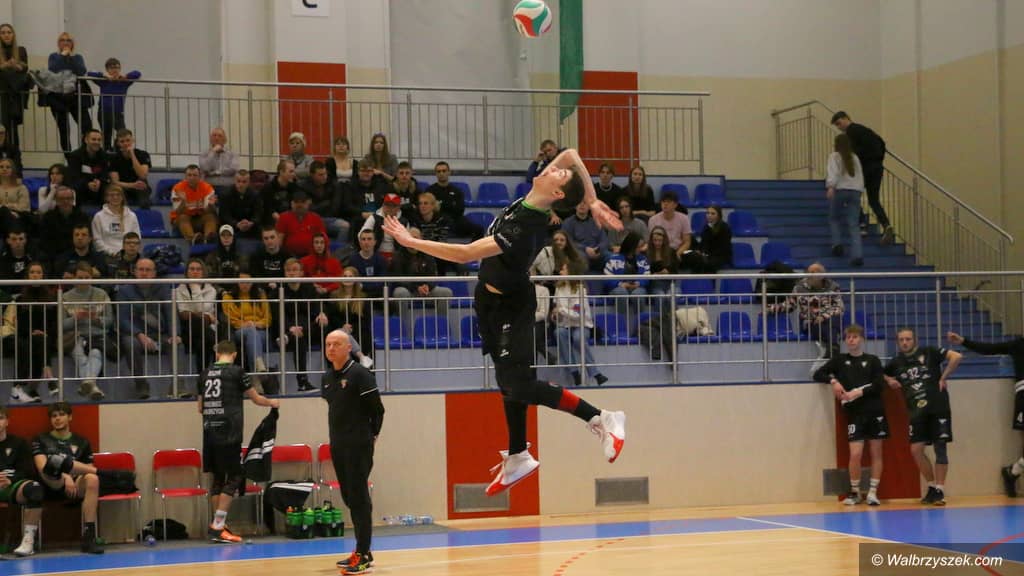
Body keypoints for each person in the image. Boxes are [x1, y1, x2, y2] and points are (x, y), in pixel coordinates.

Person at [382, 147, 627, 496]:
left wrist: (411, 242)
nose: (551, 168)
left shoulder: (526, 225)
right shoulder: (534, 197)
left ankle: (601, 417)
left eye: (558, 174)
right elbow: (572, 154)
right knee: (507, 382)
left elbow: (466, 254)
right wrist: (592, 199)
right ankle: (518, 455)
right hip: (489, 301)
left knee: (521, 386)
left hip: (514, 305)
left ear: (557, 193)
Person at [199, 340, 280, 543]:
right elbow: (256, 399)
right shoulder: (237, 372)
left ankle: (218, 525)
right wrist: (272, 402)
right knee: (235, 477)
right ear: (234, 354)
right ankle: (218, 526)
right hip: (229, 433)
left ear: (217, 354)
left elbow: (200, 407)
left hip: (209, 433)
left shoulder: (204, 373)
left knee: (218, 478)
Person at [322, 329, 384, 575]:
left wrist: (372, 436)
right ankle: (361, 550)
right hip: (338, 444)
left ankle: (364, 554)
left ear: (349, 348)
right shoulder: (327, 377)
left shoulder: (360, 374)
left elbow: (377, 410)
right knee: (348, 496)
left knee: (358, 498)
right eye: (328, 344)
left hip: (358, 444)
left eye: (336, 344)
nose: (331, 348)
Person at [884, 328, 962, 506]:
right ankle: (931, 486)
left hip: (938, 407)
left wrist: (943, 377)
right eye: (901, 340)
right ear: (897, 342)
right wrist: (889, 380)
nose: (905, 342)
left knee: (940, 448)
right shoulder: (896, 362)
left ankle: (940, 490)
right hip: (916, 411)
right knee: (916, 450)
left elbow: (956, 356)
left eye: (908, 339)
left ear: (915, 340)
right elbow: (880, 373)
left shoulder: (929, 351)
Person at [812, 325, 888, 506]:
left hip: (875, 412)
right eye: (848, 337)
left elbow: (879, 385)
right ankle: (855, 492)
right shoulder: (840, 360)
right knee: (855, 454)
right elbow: (817, 374)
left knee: (876, 452)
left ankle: (872, 492)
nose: (851, 340)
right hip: (854, 413)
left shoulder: (873, 360)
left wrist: (858, 392)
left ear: (862, 339)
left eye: (855, 337)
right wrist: (833, 381)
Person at [947, 331, 1024, 497]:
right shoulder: (1018, 344)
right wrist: (964, 341)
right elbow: (989, 349)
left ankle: (1013, 471)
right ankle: (1012, 472)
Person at [32, 402, 104, 554]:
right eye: (54, 416)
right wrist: (65, 477)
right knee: (51, 469)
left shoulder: (82, 442)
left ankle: (89, 537)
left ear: (70, 417)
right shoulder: (41, 439)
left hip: (75, 486)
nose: (57, 419)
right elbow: (42, 467)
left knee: (93, 478)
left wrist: (74, 477)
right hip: (51, 484)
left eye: (62, 415)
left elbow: (88, 468)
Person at [116, 258, 180, 399]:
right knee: (130, 344)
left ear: (154, 273)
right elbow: (122, 319)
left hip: (159, 333)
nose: (144, 273)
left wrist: (175, 334)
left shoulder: (163, 288)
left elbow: (171, 313)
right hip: (135, 334)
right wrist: (139, 334)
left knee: (176, 343)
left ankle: (178, 386)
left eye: (148, 270)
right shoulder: (124, 291)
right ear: (134, 272)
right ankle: (141, 385)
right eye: (141, 269)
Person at [831, 111, 894, 245]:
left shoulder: (851, 132)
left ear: (846, 118)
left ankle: (862, 223)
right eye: (837, 125)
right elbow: (882, 143)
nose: (839, 127)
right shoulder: (866, 130)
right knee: (873, 200)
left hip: (865, 169)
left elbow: (853, 153)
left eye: (839, 123)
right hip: (877, 168)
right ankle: (886, 225)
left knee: (850, 193)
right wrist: (878, 160)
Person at [768, 262, 845, 363]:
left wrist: (823, 316)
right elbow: (790, 305)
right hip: (810, 322)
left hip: (829, 319)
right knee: (829, 326)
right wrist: (772, 308)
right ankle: (834, 348)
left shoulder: (833, 287)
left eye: (815, 272)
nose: (811, 275)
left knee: (833, 320)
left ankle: (831, 349)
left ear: (822, 275)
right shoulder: (799, 288)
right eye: (809, 272)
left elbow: (839, 307)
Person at [553, 259, 609, 387]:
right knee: (559, 333)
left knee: (578, 338)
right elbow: (557, 311)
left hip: (582, 325)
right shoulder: (558, 289)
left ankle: (595, 373)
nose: (560, 272)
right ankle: (574, 372)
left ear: (571, 272)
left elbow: (578, 315)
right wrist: (555, 315)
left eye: (563, 269)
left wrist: (561, 310)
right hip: (565, 325)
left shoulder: (580, 290)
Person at [63, 261, 113, 400]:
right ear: (74, 278)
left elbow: (110, 321)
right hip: (75, 335)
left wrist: (96, 319)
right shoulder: (65, 297)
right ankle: (93, 386)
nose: (83, 281)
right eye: (80, 278)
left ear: (91, 278)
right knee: (79, 354)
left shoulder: (102, 294)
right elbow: (61, 325)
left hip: (97, 335)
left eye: (87, 277)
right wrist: (76, 318)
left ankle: (88, 383)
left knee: (96, 352)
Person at [278, 258, 329, 392]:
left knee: (327, 331)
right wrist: (290, 328)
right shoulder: (279, 290)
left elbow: (316, 307)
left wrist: (321, 313)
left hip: (308, 329)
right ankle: (303, 383)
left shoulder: (309, 288)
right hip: (288, 329)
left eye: (295, 270)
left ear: (301, 272)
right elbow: (278, 315)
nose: (291, 273)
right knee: (298, 338)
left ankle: (334, 377)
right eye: (288, 270)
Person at [0, 405, 45, 557]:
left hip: (12, 486)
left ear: (7, 421)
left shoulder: (19, 443)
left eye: (0, 418)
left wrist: (10, 480)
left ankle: (28, 541)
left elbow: (27, 470)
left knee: (35, 488)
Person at [11, 261, 58, 403]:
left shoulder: (51, 299)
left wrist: (44, 332)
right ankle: (49, 378)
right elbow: (20, 323)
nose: (35, 275)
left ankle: (26, 389)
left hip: (46, 336)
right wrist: (32, 331)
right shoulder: (21, 299)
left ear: (43, 276)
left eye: (38, 272)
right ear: (27, 276)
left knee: (41, 341)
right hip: (26, 335)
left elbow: (54, 322)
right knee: (34, 343)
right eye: (32, 272)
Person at [45, 32, 94, 154]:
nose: (65, 43)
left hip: (76, 96)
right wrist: (62, 56)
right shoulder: (53, 56)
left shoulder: (78, 57)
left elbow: (81, 71)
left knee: (87, 127)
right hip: (58, 97)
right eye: (62, 40)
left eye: (68, 40)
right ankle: (69, 157)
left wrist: (70, 57)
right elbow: (53, 69)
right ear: (58, 43)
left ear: (72, 44)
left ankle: (84, 153)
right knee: (64, 129)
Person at [176, 258, 219, 397]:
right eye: (192, 269)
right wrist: (205, 317)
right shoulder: (179, 290)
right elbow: (183, 313)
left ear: (203, 272)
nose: (195, 272)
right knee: (197, 323)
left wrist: (199, 314)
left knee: (202, 344)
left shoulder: (211, 289)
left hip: (204, 332)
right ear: (187, 272)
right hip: (188, 330)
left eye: (198, 269)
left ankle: (202, 386)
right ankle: (216, 344)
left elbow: (201, 309)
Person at [389, 228, 453, 318]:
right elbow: (398, 278)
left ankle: (441, 322)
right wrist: (416, 287)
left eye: (415, 238)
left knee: (446, 292)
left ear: (421, 239)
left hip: (426, 290)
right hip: (408, 290)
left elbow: (433, 275)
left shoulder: (428, 254)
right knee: (400, 292)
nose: (412, 240)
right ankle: (402, 324)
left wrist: (427, 286)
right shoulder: (398, 256)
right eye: (410, 238)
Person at [222, 270, 272, 387]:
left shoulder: (260, 295)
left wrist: (256, 324)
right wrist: (244, 324)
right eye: (242, 282)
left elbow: (268, 318)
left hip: (260, 330)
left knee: (253, 333)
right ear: (236, 282)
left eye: (248, 282)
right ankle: (258, 368)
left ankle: (256, 378)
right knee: (251, 331)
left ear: (253, 282)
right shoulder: (228, 297)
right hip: (240, 330)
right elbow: (230, 318)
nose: (245, 285)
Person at [826, 133, 865, 267]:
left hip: (841, 189)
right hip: (856, 191)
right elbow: (860, 175)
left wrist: (831, 187)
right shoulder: (855, 157)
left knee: (834, 217)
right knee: (853, 224)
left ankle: (837, 244)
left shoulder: (835, 156)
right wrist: (860, 191)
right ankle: (857, 255)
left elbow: (833, 173)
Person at [86, 58, 140, 151]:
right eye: (112, 68)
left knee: (122, 134)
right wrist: (104, 75)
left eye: (117, 68)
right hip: (104, 112)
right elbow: (90, 73)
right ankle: (107, 153)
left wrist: (126, 76)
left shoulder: (124, 81)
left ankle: (117, 152)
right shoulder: (103, 81)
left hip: (118, 113)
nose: (115, 70)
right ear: (107, 70)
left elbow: (137, 73)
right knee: (107, 135)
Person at [424, 161, 483, 240]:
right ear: (436, 174)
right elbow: (428, 210)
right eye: (439, 171)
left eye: (444, 171)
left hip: (456, 220)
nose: (441, 173)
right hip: (438, 221)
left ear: (449, 172)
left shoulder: (457, 191)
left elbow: (460, 210)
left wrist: (441, 205)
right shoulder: (430, 191)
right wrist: (451, 205)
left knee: (479, 229)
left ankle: (472, 247)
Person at [602, 232, 650, 317]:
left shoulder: (643, 260)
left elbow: (647, 276)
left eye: (641, 246)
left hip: (637, 287)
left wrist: (638, 283)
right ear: (631, 246)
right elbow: (607, 277)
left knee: (638, 294)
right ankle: (621, 322)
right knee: (621, 292)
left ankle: (641, 323)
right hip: (618, 287)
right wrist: (620, 284)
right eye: (638, 247)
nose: (641, 249)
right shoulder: (614, 259)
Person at [172, 164, 219, 244]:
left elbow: (208, 211)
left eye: (195, 175)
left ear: (199, 177)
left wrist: (211, 205)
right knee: (183, 217)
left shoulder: (207, 188)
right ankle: (193, 239)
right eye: (189, 175)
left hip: (200, 218)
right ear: (185, 177)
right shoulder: (177, 188)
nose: (192, 178)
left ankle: (208, 239)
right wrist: (183, 202)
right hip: (183, 219)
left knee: (210, 216)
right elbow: (178, 212)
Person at [91, 184, 141, 257]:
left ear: (122, 197)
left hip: (128, 255)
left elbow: (137, 238)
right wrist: (112, 253)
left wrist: (126, 253)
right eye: (112, 195)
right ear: (107, 198)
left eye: (118, 195)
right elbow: (97, 241)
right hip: (106, 256)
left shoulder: (132, 216)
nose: (115, 197)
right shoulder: (98, 216)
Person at [0, 23, 29, 148]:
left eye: (9, 32)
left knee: (12, 127)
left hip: (15, 95)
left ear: (13, 35)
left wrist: (17, 66)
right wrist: (5, 66)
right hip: (3, 93)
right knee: (4, 126)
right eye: (3, 33)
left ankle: (14, 156)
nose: (6, 35)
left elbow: (25, 68)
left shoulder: (21, 50)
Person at [107, 129, 152, 208]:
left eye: (128, 140)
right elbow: (115, 182)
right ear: (118, 143)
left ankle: (145, 211)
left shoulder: (143, 154)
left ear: (133, 140)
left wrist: (132, 154)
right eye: (122, 141)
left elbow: (142, 175)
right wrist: (132, 185)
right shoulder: (114, 158)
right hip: (123, 186)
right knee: (115, 189)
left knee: (143, 184)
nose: (125, 143)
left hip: (139, 186)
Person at [275, 189, 326, 257]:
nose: (299, 205)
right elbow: (279, 241)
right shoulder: (283, 217)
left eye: (303, 202)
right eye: (296, 202)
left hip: (311, 255)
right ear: (291, 203)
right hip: (290, 256)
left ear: (308, 203)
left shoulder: (316, 218)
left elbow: (323, 240)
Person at [561, 201, 610, 271]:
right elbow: (567, 242)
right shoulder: (568, 223)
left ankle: (615, 278)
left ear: (589, 207)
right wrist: (585, 249)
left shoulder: (596, 222)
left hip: (597, 253)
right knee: (581, 258)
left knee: (613, 258)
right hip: (580, 253)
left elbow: (604, 240)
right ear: (575, 206)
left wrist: (598, 249)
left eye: (585, 203)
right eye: (579, 202)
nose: (582, 205)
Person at [67, 129, 109, 205]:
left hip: (98, 187)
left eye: (99, 140)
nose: (97, 142)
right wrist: (87, 184)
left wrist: (100, 181)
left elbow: (105, 174)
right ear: (86, 140)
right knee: (74, 187)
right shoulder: (75, 156)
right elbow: (74, 176)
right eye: (93, 139)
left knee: (108, 188)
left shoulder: (104, 155)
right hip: (82, 187)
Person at [647, 190, 692, 261]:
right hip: (660, 251)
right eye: (663, 202)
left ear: (675, 205)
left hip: (678, 250)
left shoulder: (684, 218)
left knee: (694, 258)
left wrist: (677, 254)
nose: (665, 204)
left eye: (668, 202)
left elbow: (687, 242)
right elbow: (652, 242)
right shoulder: (653, 220)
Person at [217, 170, 260, 238]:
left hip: (250, 225)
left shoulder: (255, 195)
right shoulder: (225, 194)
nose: (241, 184)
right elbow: (224, 215)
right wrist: (237, 224)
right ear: (235, 181)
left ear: (249, 182)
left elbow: (258, 213)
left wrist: (251, 222)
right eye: (238, 181)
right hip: (231, 225)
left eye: (244, 182)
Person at [695, 205, 733, 272]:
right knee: (695, 261)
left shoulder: (725, 228)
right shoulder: (706, 227)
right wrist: (699, 250)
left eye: (713, 213)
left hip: (721, 256)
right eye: (708, 213)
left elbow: (724, 247)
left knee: (708, 264)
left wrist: (707, 255)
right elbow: (703, 242)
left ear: (718, 215)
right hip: (709, 254)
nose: (709, 215)